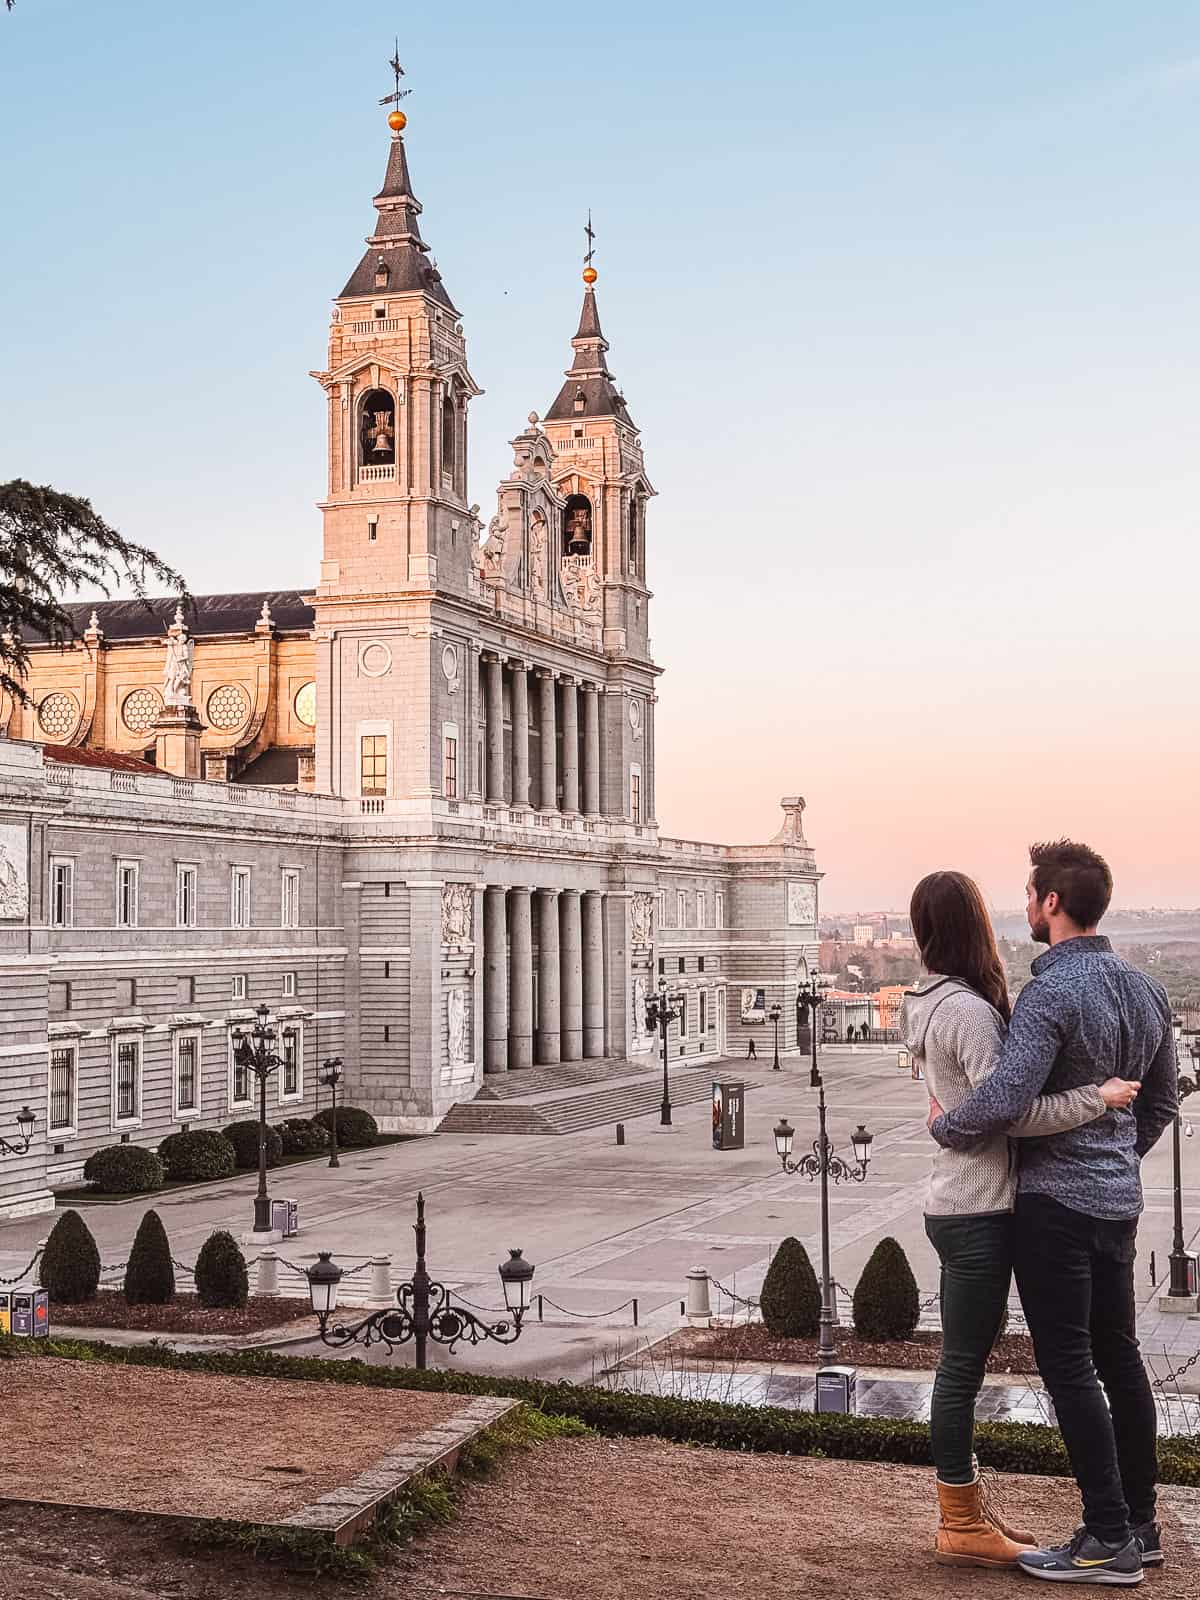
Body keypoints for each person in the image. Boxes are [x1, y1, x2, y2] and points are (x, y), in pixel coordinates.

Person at [929, 841, 1177, 1585]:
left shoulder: (1051, 994)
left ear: (1051, 904)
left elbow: (1004, 1103)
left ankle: (1105, 1538)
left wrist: (944, 1124)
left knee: (1069, 1367)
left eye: (1031, 894)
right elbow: (1159, 1103)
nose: (1028, 905)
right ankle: (1140, 1524)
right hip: (1117, 1206)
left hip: (1055, 1208)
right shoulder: (1148, 989)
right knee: (1121, 1361)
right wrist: (1113, 1161)